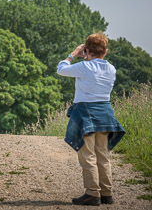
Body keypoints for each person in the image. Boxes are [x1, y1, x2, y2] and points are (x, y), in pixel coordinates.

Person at [57, 33, 125, 206]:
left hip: (86, 113)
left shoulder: (85, 67)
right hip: (105, 113)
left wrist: (74, 54)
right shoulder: (111, 69)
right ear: (106, 52)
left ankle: (92, 193)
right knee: (103, 155)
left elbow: (61, 68)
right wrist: (86, 55)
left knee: (87, 155)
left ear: (87, 50)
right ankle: (106, 193)